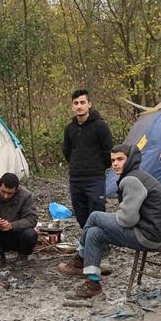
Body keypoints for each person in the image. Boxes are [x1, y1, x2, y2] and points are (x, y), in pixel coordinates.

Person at [58, 144, 161, 299]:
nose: (115, 164)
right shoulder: (138, 175)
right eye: (113, 160)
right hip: (151, 231)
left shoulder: (131, 180)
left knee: (95, 216)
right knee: (93, 232)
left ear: (130, 160)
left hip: (147, 236)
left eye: (120, 159)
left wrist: (114, 217)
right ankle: (93, 284)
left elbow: (128, 220)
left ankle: (80, 259)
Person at [63, 89, 113, 228]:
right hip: (76, 178)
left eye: (82, 102)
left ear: (89, 104)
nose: (79, 106)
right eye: (76, 103)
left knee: (97, 212)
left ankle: (100, 242)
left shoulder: (100, 126)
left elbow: (108, 151)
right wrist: (75, 164)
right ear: (72, 106)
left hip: (95, 178)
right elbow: (67, 151)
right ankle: (86, 241)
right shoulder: (69, 129)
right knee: (80, 214)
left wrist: (97, 166)